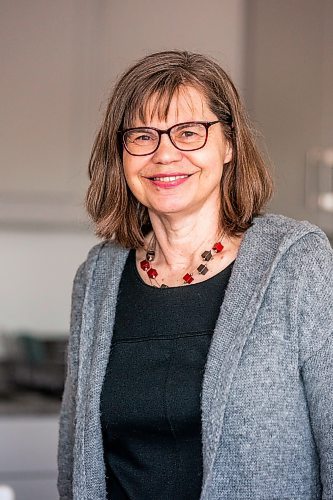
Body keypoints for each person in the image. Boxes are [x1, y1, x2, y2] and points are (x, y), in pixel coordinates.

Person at [57, 50, 333, 500]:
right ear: (121, 154)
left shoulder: (297, 263)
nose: (165, 155)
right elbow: (74, 459)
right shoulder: (97, 277)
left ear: (228, 144)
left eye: (189, 132)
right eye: (143, 135)